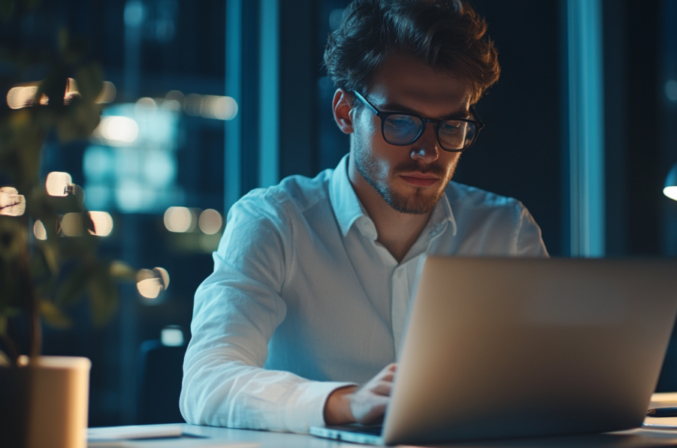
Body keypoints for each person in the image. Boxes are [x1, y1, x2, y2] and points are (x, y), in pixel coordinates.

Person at [180, 0, 548, 434]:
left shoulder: (505, 231)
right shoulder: (275, 222)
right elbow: (207, 381)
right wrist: (344, 401)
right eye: (401, 121)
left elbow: (550, 381)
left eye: (450, 126)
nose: (428, 151)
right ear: (345, 113)